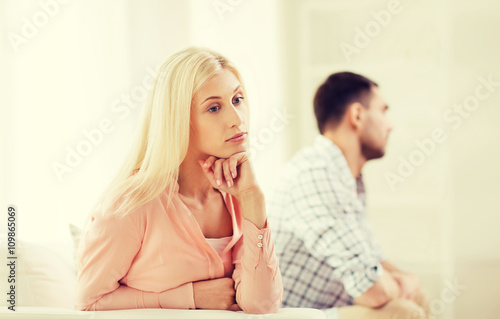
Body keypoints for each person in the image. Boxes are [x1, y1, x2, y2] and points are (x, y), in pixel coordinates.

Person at [75, 47, 283, 314]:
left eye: (238, 99)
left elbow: (261, 305)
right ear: (179, 119)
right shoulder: (130, 205)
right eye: (214, 107)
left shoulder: (239, 196)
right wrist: (189, 297)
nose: (237, 119)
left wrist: (253, 199)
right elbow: (88, 302)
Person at [268, 72, 429, 319]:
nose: (390, 125)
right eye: (383, 111)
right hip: (298, 313)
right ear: (357, 115)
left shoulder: (346, 177)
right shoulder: (316, 174)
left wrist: (408, 280)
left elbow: (372, 258)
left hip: (330, 304)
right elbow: (371, 290)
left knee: (416, 297)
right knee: (403, 312)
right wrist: (402, 285)